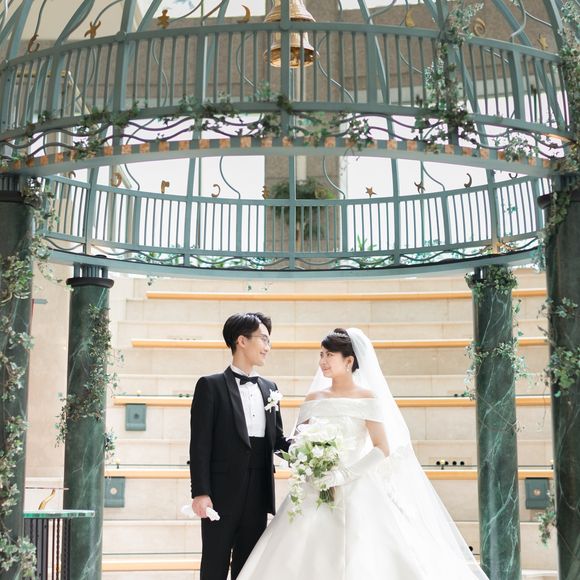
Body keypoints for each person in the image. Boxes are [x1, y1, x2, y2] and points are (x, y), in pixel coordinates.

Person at [237, 328, 490, 580]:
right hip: (315, 485)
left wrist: (343, 475)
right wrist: (310, 466)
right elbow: (297, 442)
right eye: (321, 355)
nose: (322, 361)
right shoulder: (314, 398)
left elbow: (382, 448)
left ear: (349, 361)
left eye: (329, 355)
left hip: (356, 485)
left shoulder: (367, 398)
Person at [189, 312, 289, 580]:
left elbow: (278, 441)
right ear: (241, 341)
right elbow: (199, 444)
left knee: (249, 566)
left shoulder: (270, 388)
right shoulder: (210, 385)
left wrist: (310, 450)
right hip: (220, 493)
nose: (267, 347)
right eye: (263, 339)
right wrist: (200, 492)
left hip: (258, 491)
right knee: (214, 563)